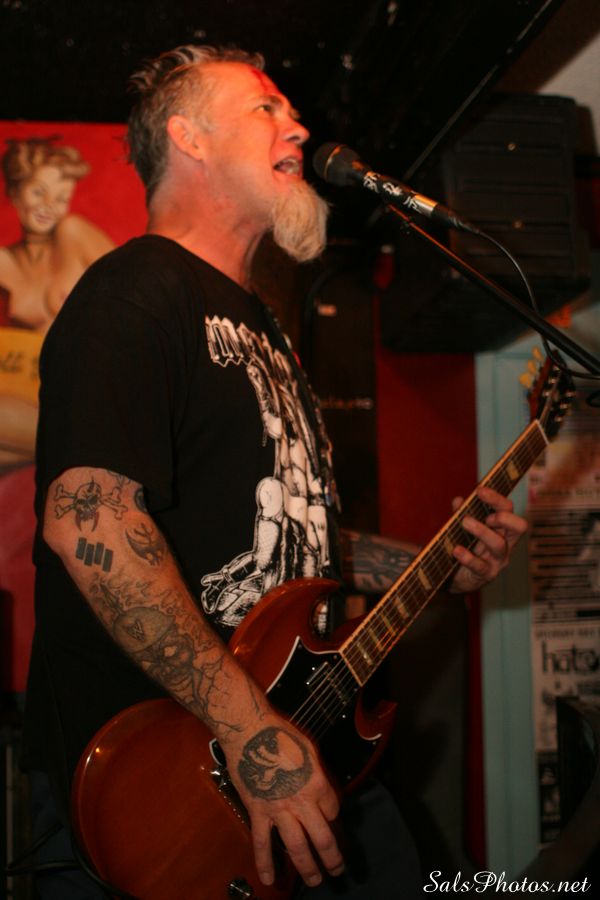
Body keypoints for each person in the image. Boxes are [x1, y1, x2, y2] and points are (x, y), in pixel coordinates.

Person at [21, 45, 528, 898]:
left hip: (298, 746)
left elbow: (292, 535)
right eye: (267, 108)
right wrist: (251, 729)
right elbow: (88, 521)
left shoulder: (264, 326)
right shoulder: (134, 292)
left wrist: (434, 565)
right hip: (162, 794)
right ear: (189, 136)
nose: (298, 128)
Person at [0, 137, 114, 468]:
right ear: (15, 193)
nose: (49, 205)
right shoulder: (3, 264)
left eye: (62, 198)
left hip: (85, 397)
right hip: (30, 401)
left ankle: (98, 441)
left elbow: (138, 292)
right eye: (39, 192)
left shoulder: (72, 233)